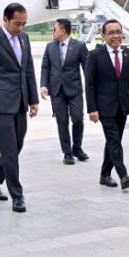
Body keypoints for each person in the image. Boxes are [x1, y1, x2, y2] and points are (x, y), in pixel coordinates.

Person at [0, 3, 39, 213]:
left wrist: (33, 99)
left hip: (21, 101)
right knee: (10, 150)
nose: (20, 27)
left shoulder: (24, 38)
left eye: (23, 23)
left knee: (17, 146)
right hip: (1, 103)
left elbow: (28, 69)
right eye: (16, 23)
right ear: (5, 20)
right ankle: (17, 195)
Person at [86, 19, 129, 190]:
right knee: (114, 140)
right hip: (104, 107)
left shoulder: (128, 53)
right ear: (103, 36)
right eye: (111, 33)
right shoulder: (95, 55)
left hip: (122, 106)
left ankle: (104, 175)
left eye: (118, 32)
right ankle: (123, 175)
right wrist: (92, 109)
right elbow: (90, 85)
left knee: (112, 141)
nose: (116, 36)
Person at [40, 18, 90, 165]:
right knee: (62, 122)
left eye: (54, 29)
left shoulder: (80, 46)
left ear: (62, 30)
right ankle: (67, 153)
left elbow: (87, 68)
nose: (52, 32)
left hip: (74, 90)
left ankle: (77, 148)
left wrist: (92, 88)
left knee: (78, 119)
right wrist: (44, 85)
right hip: (56, 91)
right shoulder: (50, 46)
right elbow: (45, 67)